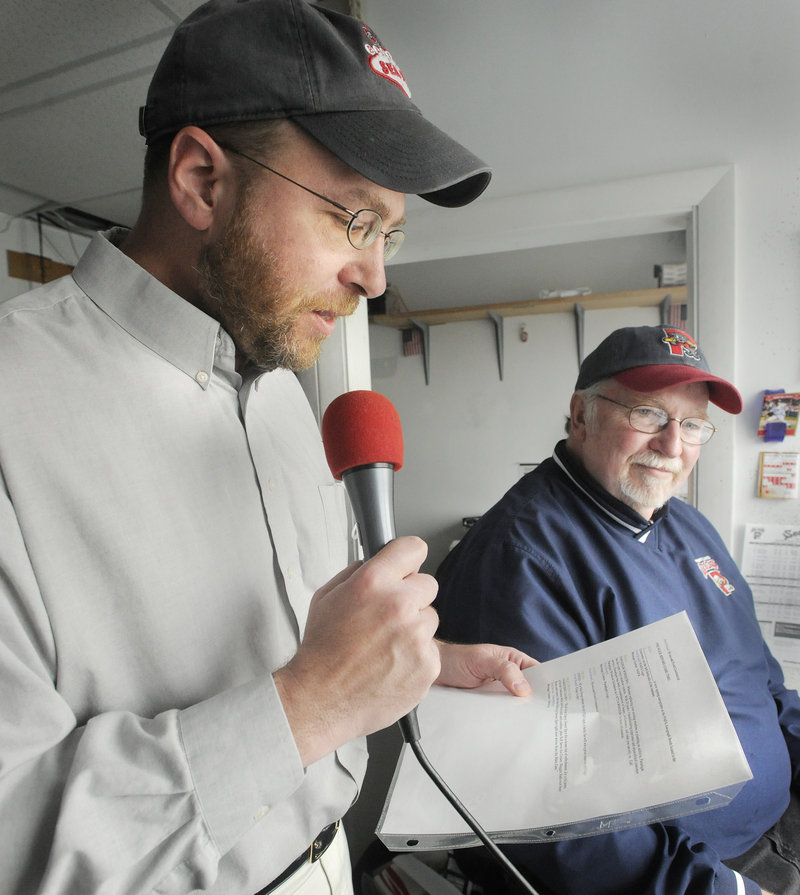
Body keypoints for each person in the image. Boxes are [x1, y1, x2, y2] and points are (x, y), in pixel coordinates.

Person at [0, 2, 536, 893]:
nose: (377, 277)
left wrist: (426, 666)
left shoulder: (286, 392)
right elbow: (16, 839)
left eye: (389, 235)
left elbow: (301, 649)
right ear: (204, 180)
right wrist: (312, 703)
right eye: (353, 220)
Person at [435, 324, 800, 895]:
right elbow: (549, 810)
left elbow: (760, 682)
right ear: (581, 415)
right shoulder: (519, 559)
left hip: (780, 830)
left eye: (694, 425)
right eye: (649, 415)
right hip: (699, 876)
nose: (673, 446)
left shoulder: (687, 524)